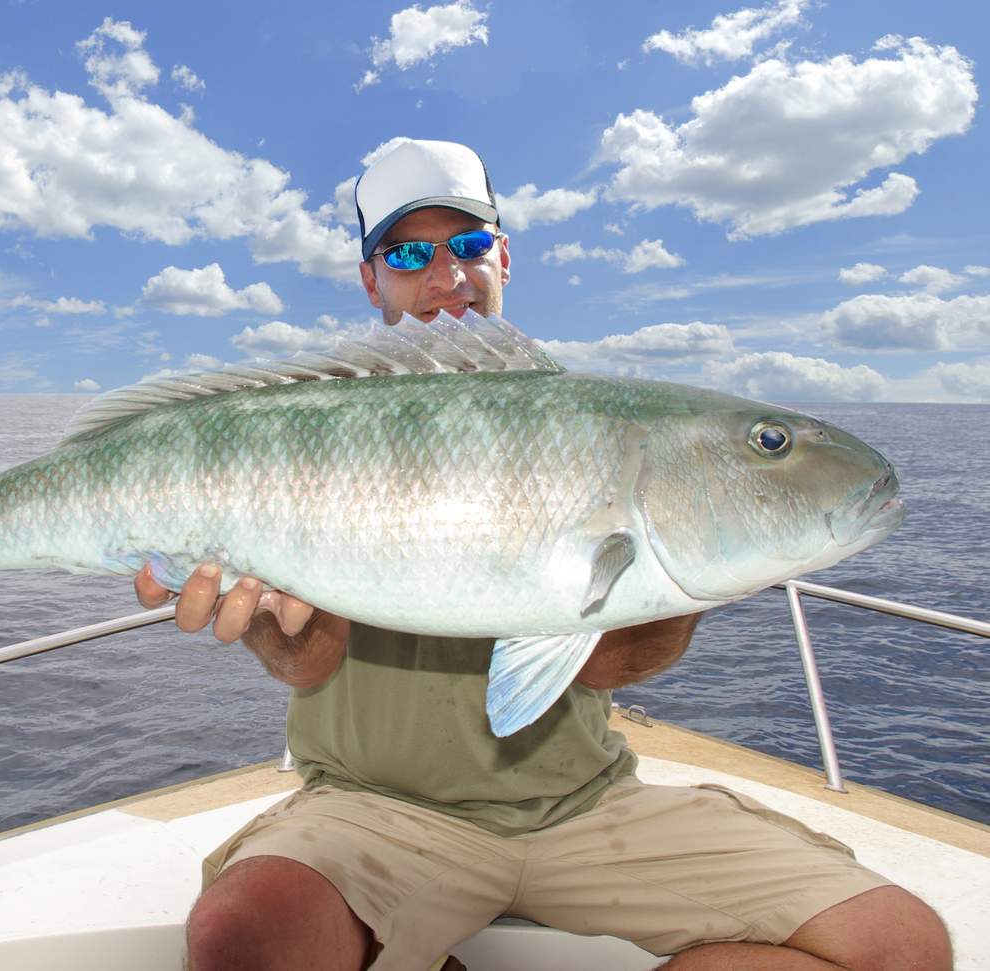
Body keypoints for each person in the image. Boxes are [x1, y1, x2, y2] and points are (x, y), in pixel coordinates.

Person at [134, 139, 952, 970]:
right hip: (370, 807)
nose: (444, 275)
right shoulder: (321, 434)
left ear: (503, 256)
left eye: (467, 244)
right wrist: (263, 614)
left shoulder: (590, 418)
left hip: (584, 805)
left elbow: (609, 664)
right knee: (242, 934)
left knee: (898, 947)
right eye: (407, 253)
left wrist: (692, 570)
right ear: (371, 280)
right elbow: (308, 666)